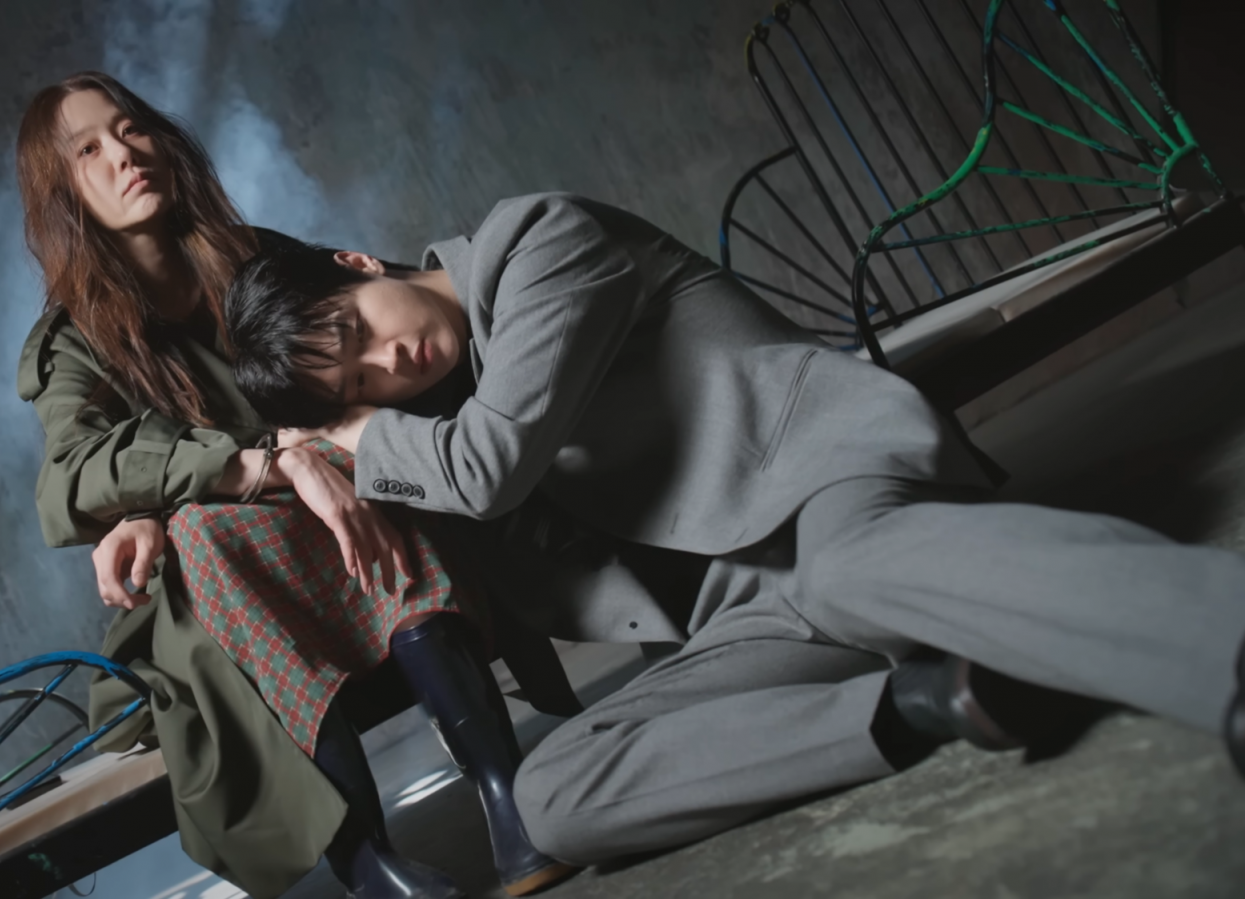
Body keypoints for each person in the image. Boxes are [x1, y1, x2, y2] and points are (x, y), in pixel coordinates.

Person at [223, 191, 1245, 864]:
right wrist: (287, 461)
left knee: (851, 570)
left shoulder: (535, 242)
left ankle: (1221, 644)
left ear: (357, 262)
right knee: (555, 794)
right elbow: (524, 547)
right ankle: (936, 699)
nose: (389, 366)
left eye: (357, 332)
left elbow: (491, 467)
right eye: (359, 386)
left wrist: (358, 432)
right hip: (754, 608)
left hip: (837, 487)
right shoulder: (442, 418)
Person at [12, 73, 572, 898]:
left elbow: (386, 324)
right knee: (203, 532)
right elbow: (74, 472)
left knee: (371, 463)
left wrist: (322, 449)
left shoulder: (254, 257)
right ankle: (367, 861)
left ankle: (506, 792)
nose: (124, 155)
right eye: (88, 150)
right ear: (62, 195)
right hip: (222, 579)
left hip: (354, 525)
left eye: (130, 129)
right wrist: (251, 469)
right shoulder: (73, 342)